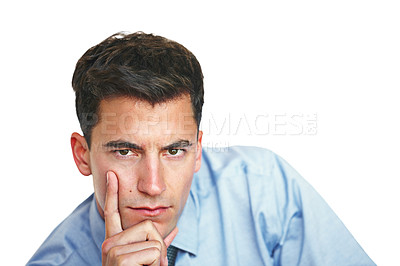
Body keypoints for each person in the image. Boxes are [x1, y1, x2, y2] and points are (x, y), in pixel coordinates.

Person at [27, 31, 375, 266]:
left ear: (198, 149)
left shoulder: (264, 188)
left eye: (174, 151)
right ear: (82, 155)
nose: (153, 185)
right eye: (126, 151)